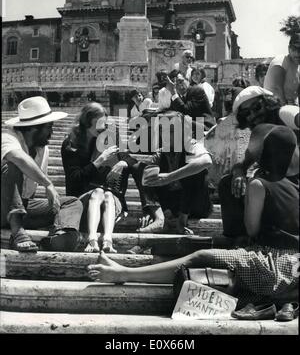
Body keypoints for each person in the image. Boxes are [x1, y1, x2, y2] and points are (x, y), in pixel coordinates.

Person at [88, 125, 299, 310]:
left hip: (272, 263)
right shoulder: (294, 186)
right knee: (196, 250)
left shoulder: (258, 185)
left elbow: (252, 230)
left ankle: (123, 273)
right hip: (292, 264)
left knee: (200, 257)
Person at [1, 96, 83, 252]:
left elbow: (29, 194)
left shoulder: (43, 150)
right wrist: (48, 183)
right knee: (11, 166)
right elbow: (18, 157)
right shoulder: (7, 137)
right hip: (2, 206)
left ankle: (60, 237)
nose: (51, 132)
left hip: (23, 207)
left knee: (71, 202)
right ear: (34, 128)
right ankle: (17, 233)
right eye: (49, 127)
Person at [219, 85, 299, 237]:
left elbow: (295, 115)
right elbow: (243, 159)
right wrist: (238, 173)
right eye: (246, 113)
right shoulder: (254, 132)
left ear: (267, 103)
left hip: (293, 183)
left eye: (257, 107)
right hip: (274, 185)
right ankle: (238, 238)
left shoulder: (283, 114)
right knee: (228, 183)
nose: (253, 114)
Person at [61, 103, 136, 253]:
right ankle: (92, 240)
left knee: (106, 194)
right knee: (98, 192)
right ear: (88, 121)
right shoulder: (71, 144)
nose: (104, 127)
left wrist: (123, 162)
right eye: (100, 123)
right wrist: (99, 161)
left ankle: (108, 240)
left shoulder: (107, 137)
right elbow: (75, 179)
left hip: (109, 204)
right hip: (81, 203)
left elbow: (131, 160)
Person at [132, 111, 213, 234]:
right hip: (173, 205)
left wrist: (169, 177)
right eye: (161, 129)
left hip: (195, 206)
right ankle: (162, 217)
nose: (165, 134)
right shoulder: (161, 152)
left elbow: (206, 161)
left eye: (171, 130)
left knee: (197, 168)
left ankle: (182, 219)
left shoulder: (190, 144)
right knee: (141, 168)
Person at [264, 16, 300, 105]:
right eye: (294, 49)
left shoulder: (298, 67)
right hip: (275, 108)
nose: (298, 53)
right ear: (289, 49)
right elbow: (277, 88)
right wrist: (288, 107)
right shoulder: (281, 61)